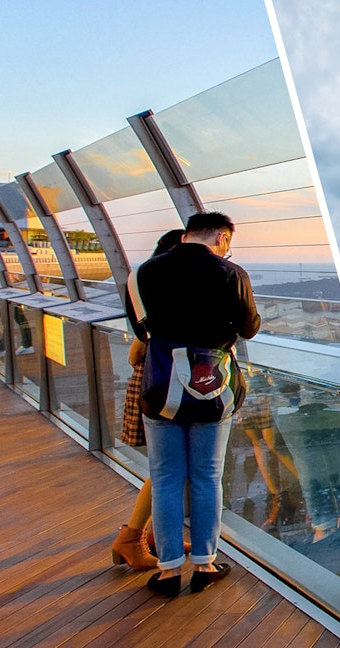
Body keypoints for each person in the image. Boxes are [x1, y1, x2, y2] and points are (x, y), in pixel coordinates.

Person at [137, 212, 260, 597]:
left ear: (187, 234)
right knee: (207, 476)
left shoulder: (147, 272)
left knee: (166, 478)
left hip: (163, 386)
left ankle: (169, 571)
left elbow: (140, 327)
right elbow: (249, 327)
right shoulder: (231, 273)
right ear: (222, 237)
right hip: (212, 387)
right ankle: (205, 564)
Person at [111, 228, 186, 572]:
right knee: (167, 467)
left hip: (155, 384)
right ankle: (131, 537)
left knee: (169, 466)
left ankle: (159, 534)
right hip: (165, 387)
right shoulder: (165, 295)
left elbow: (135, 351)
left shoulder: (142, 285)